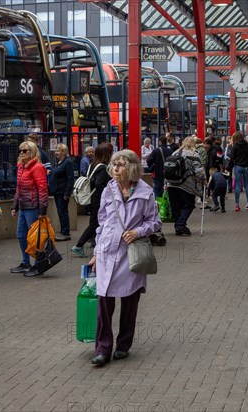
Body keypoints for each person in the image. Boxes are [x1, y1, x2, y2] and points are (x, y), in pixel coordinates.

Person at [88, 149, 162, 366]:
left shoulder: (145, 192)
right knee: (104, 301)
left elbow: (155, 222)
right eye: (114, 165)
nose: (115, 169)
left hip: (131, 253)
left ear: (131, 167)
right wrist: (95, 253)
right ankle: (102, 348)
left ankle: (123, 345)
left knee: (130, 302)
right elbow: (101, 223)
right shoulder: (108, 190)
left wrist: (138, 232)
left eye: (120, 165)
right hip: (107, 252)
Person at [10, 140, 49, 277]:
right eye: (20, 150)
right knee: (21, 235)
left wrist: (42, 210)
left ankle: (39, 264)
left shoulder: (37, 167)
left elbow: (43, 189)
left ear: (32, 152)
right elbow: (18, 189)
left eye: (25, 151)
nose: (21, 153)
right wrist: (14, 206)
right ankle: (26, 262)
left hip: (33, 207)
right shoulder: (22, 167)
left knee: (35, 238)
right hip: (23, 207)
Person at [72, 143, 113, 258]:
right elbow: (99, 184)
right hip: (98, 198)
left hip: (91, 196)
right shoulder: (103, 168)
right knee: (95, 223)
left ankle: (95, 242)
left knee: (95, 222)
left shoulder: (92, 164)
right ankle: (79, 245)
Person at [166, 137, 206, 236]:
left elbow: (168, 168)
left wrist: (166, 183)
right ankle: (180, 225)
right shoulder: (193, 154)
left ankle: (178, 226)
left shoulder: (175, 153)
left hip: (171, 184)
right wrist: (204, 180)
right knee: (188, 205)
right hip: (187, 185)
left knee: (175, 206)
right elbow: (199, 171)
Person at [48, 143, 74, 242]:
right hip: (57, 191)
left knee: (63, 212)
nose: (56, 153)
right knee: (60, 211)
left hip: (62, 192)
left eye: (58, 151)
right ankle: (63, 230)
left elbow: (70, 178)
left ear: (63, 152)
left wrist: (67, 193)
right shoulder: (59, 162)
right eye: (56, 151)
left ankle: (65, 232)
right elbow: (57, 171)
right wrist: (51, 172)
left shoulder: (68, 162)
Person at [227, 131, 248, 212]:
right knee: (246, 186)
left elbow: (232, 159)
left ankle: (237, 205)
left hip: (238, 167)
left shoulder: (235, 146)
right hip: (246, 167)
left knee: (237, 186)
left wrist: (228, 168)